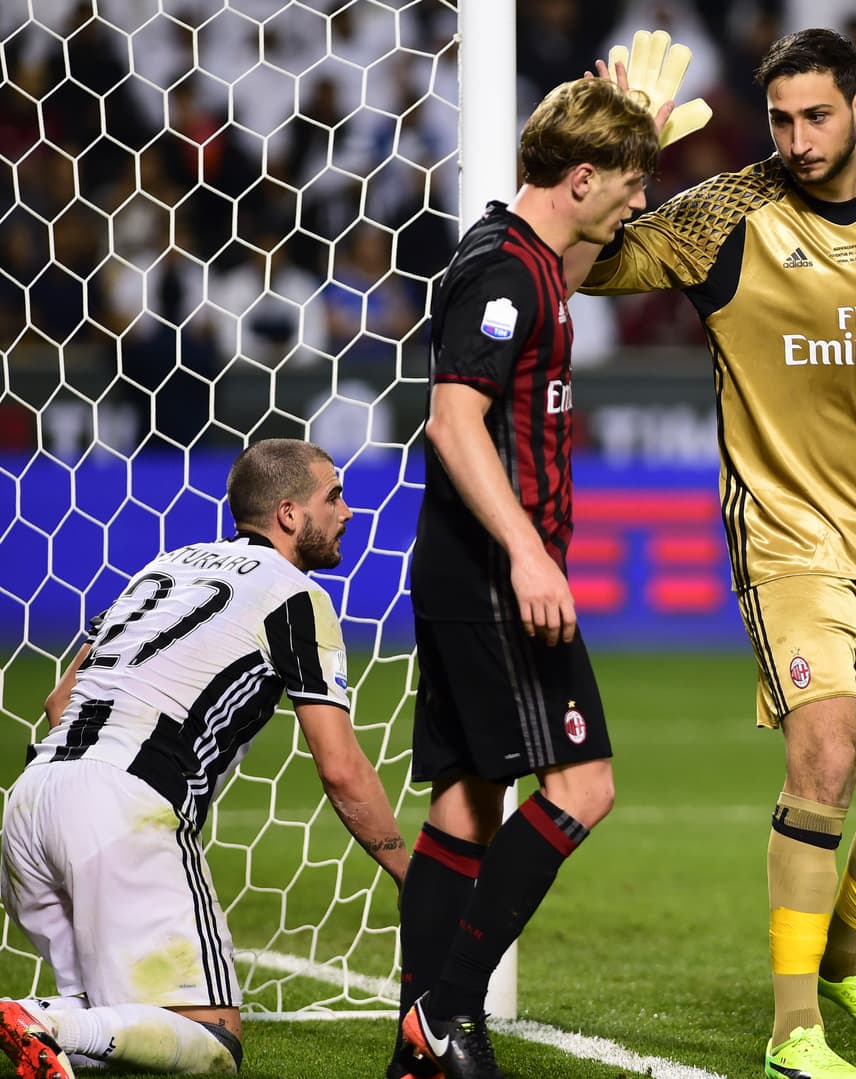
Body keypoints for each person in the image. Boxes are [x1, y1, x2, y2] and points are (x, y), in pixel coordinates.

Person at [569, 28, 856, 1079]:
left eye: (816, 115)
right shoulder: (730, 211)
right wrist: (603, 153)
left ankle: (844, 966)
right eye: (779, 118)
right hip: (787, 531)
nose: (796, 138)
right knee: (820, 752)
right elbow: (586, 262)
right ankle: (790, 1030)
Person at [389, 76, 662, 1079]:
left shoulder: (532, 256)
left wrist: (640, 125)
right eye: (628, 184)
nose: (638, 205)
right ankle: (445, 1013)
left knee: (467, 805)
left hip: (472, 570)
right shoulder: (502, 276)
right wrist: (527, 549)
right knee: (582, 784)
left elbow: (582, 251)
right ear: (580, 176)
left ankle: (414, 1050)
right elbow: (453, 420)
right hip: (497, 574)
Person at [0, 438, 408, 1079]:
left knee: (107, 1029)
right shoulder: (295, 596)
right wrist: (408, 870)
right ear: (289, 514)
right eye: (333, 495)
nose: (348, 512)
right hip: (121, 804)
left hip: (31, 800)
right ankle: (44, 1020)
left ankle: (46, 1018)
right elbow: (340, 766)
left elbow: (58, 700)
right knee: (213, 1042)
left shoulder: (164, 567)